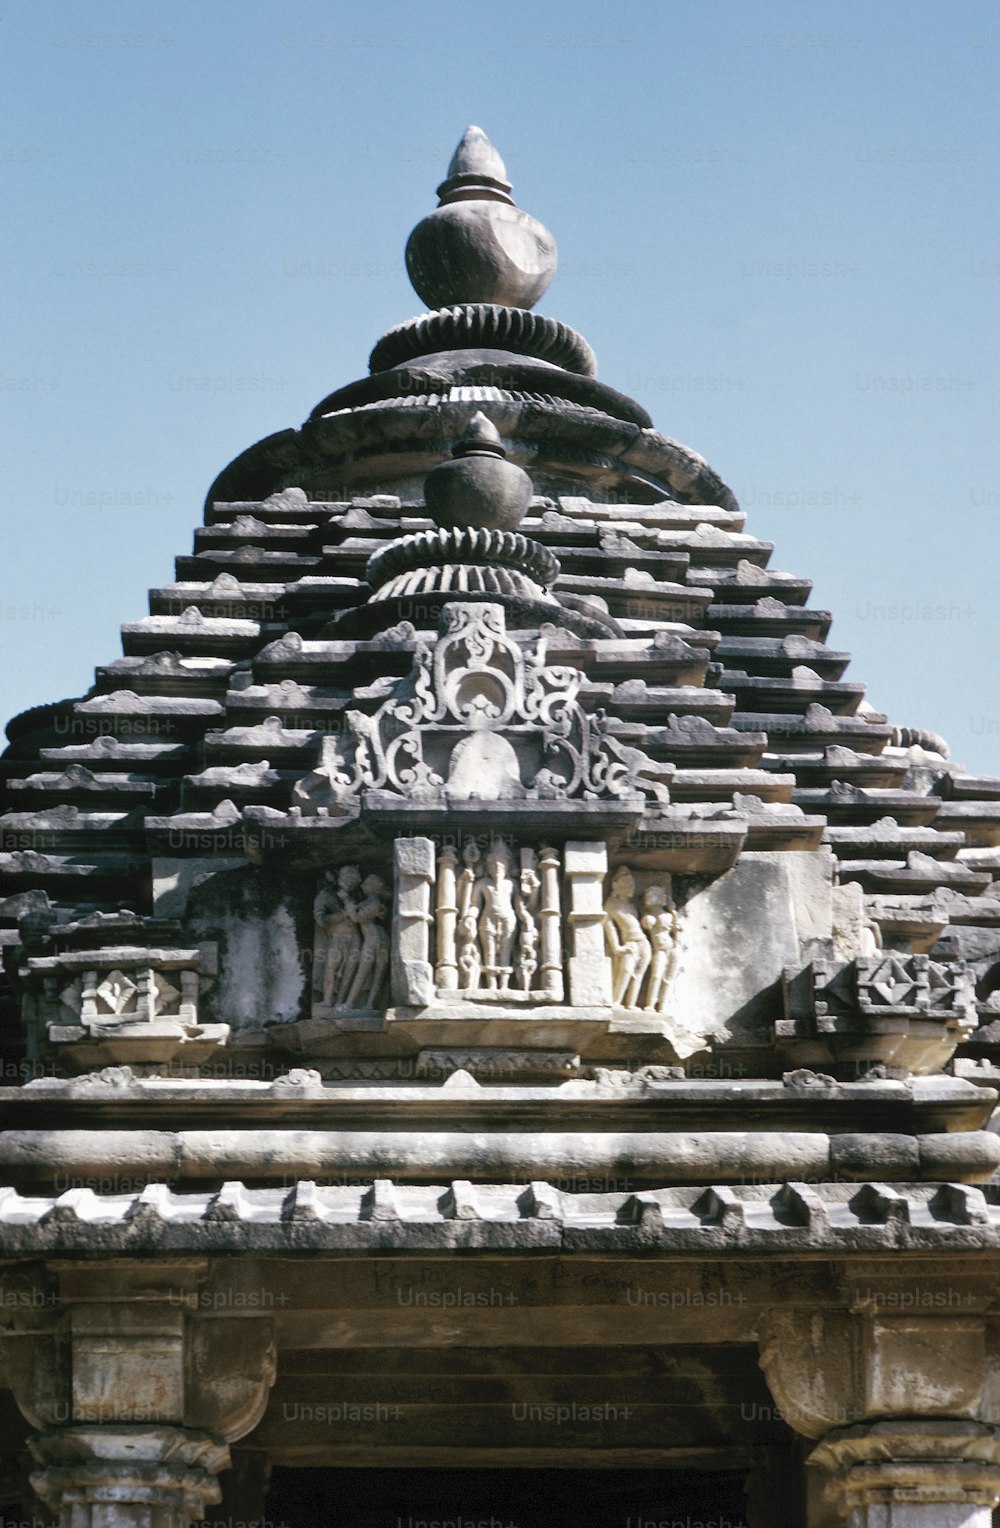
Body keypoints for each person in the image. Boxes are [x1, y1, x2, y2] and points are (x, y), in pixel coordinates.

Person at [603, 866, 651, 1008]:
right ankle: (616, 1001)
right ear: (615, 885)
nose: (631, 887)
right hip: (630, 943)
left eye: (632, 884)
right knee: (626, 971)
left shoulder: (632, 906)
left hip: (644, 942)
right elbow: (609, 926)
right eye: (627, 884)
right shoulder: (612, 904)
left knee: (638, 975)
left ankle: (630, 1004)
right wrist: (617, 948)